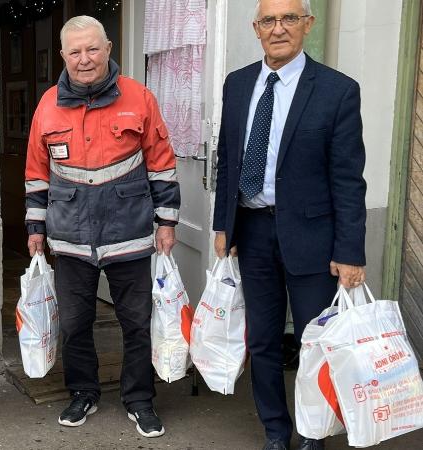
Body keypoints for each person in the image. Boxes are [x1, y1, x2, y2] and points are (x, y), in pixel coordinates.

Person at [212, 0, 367, 449]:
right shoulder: (238, 83)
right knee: (261, 340)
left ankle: (313, 434)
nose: (278, 28)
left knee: (314, 343)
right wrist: (225, 226)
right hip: (253, 231)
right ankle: (276, 432)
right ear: (256, 28)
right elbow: (228, 159)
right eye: (269, 20)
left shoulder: (337, 90)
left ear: (307, 25)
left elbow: (348, 179)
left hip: (313, 238)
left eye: (289, 18)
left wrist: (350, 251)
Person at [24, 16, 180, 438]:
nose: (85, 59)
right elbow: (37, 173)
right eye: (75, 51)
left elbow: (161, 163)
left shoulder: (139, 97)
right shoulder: (48, 105)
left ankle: (139, 399)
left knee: (136, 322)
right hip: (70, 235)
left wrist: (167, 221)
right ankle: (83, 392)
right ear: (63, 56)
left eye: (92, 49)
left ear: (108, 49)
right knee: (75, 323)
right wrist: (35, 227)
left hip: (128, 232)